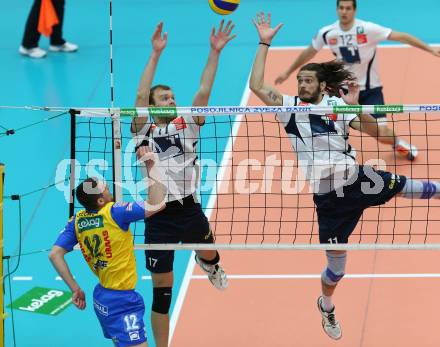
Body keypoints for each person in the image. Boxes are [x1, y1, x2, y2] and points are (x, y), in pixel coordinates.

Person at [250, 12, 440, 340]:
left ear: (323, 85)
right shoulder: (289, 110)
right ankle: (326, 306)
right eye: (300, 81)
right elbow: (256, 85)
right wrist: (264, 42)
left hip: (357, 181)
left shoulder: (340, 108)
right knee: (337, 271)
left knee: (408, 187)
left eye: (308, 81)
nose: (303, 85)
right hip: (329, 202)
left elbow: (376, 130)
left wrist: (355, 106)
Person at [130, 21, 235, 347]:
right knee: (161, 295)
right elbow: (138, 95)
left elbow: (203, 90)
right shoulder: (141, 130)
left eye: (173, 96)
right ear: (152, 104)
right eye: (164, 97)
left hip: (189, 210)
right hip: (157, 217)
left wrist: (214, 52)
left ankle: (210, 264)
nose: (172, 99)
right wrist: (155, 53)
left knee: (210, 253)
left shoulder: (187, 122)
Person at [275, 0, 440, 161]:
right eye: (341, 8)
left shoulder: (367, 29)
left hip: (370, 89)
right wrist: (288, 71)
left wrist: (430, 49)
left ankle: (396, 142)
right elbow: (309, 52)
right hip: (342, 91)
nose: (344, 12)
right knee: (322, 117)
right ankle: (331, 150)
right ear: (337, 9)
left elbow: (401, 36)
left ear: (354, 10)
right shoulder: (327, 32)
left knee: (381, 134)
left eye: (348, 8)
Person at [49, 146, 165, 347]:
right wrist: (151, 165)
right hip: (122, 301)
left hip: (102, 297)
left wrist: (75, 289)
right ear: (101, 200)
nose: (110, 190)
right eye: (107, 189)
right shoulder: (115, 212)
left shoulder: (76, 221)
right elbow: (157, 204)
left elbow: (54, 255)